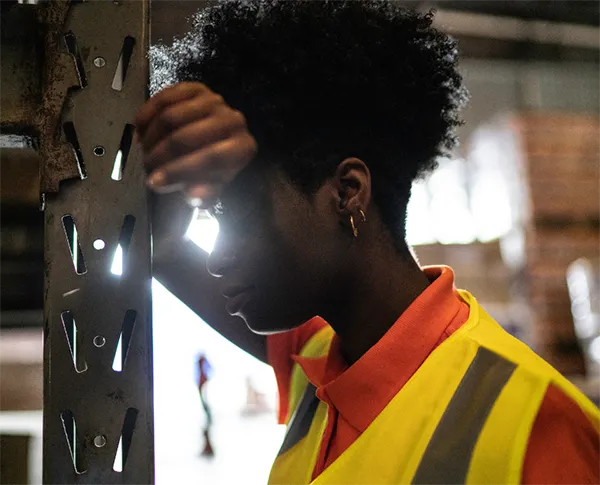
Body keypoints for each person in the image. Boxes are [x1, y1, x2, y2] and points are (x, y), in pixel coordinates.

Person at [137, 0, 600, 483]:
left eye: (242, 216)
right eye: (214, 218)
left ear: (346, 193)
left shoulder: (539, 428)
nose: (216, 258)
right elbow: (164, 246)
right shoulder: (318, 360)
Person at [197, 353, 215, 456]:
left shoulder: (203, 379)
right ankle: (207, 448)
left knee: (207, 424)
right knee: (207, 425)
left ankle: (208, 448)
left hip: (206, 404)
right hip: (205, 405)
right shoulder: (203, 378)